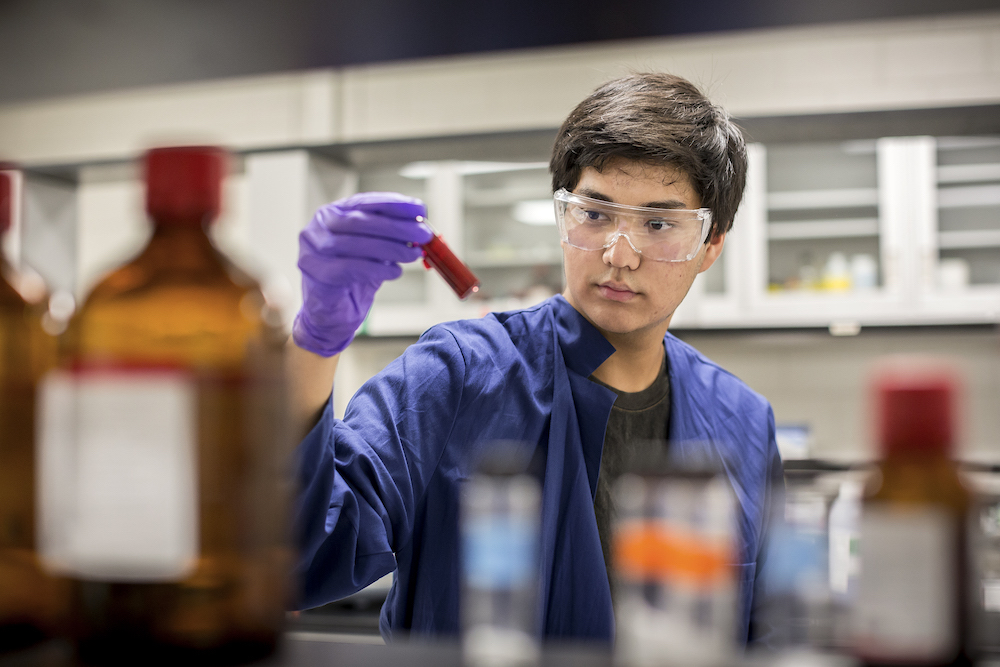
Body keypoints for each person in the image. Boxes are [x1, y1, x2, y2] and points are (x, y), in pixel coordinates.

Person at [287, 72, 783, 645]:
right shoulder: (455, 376)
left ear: (710, 244)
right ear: (563, 214)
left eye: (658, 224)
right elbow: (299, 557)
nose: (619, 255)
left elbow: (769, 639)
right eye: (595, 214)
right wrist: (316, 341)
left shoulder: (744, 421)